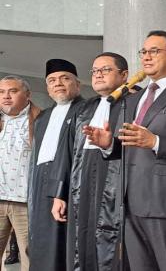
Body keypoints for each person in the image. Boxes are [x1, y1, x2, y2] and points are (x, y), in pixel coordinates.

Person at [83, 30, 166, 271]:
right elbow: (132, 147)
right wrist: (109, 144)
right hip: (131, 202)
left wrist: (156, 142)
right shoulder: (134, 99)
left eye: (154, 51)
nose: (146, 57)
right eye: (144, 52)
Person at [51, 52, 129, 271]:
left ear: (124, 75)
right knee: (81, 242)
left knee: (110, 248)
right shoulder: (84, 108)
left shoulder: (132, 103)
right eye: (95, 71)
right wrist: (60, 193)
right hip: (81, 181)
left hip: (114, 181)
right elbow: (66, 152)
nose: (98, 75)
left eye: (105, 70)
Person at [28, 59, 84, 271]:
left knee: (63, 245)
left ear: (77, 85)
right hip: (41, 183)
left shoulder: (85, 110)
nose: (58, 83)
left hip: (68, 185)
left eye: (64, 78)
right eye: (52, 80)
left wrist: (61, 191)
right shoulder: (43, 117)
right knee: (40, 243)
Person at [0, 75, 40, 271]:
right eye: (1, 92)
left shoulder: (40, 120)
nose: (6, 96)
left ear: (27, 95)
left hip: (25, 200)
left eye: (13, 91)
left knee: (29, 255)